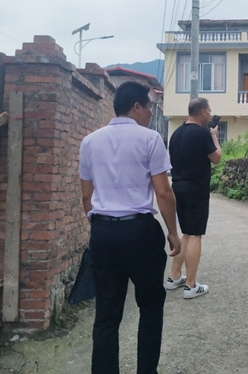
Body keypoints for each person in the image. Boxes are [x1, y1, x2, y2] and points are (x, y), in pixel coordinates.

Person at [80, 81, 181, 374]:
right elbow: (163, 192)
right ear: (137, 106)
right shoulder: (150, 139)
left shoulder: (89, 142)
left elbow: (86, 196)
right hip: (140, 233)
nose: (150, 112)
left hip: (103, 232)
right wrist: (172, 232)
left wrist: (100, 225)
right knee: (150, 305)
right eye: (149, 106)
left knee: (106, 314)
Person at [166, 97, 222, 299]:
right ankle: (191, 285)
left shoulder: (176, 134)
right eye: (209, 111)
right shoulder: (201, 133)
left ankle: (174, 277)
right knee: (195, 234)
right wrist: (214, 137)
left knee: (186, 233)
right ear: (203, 112)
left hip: (178, 188)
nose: (210, 114)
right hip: (196, 190)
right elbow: (217, 158)